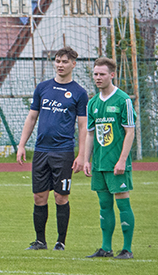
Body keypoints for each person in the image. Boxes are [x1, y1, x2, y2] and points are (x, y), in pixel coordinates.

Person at [16, 46, 88, 251]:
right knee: (39, 196)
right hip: (41, 150)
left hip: (63, 151)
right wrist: (21, 145)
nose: (60, 65)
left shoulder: (79, 93)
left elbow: (83, 125)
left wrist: (82, 155)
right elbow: (32, 117)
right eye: (57, 61)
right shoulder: (43, 88)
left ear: (73, 64)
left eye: (64, 62)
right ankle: (40, 241)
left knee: (60, 196)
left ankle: (60, 242)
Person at [83, 57, 137, 259]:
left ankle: (127, 249)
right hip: (99, 163)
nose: (98, 77)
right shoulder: (92, 103)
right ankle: (106, 248)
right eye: (95, 74)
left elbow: (130, 132)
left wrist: (122, 160)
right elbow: (90, 134)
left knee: (123, 203)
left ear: (112, 75)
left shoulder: (123, 100)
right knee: (104, 205)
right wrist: (86, 160)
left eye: (102, 74)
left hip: (117, 163)